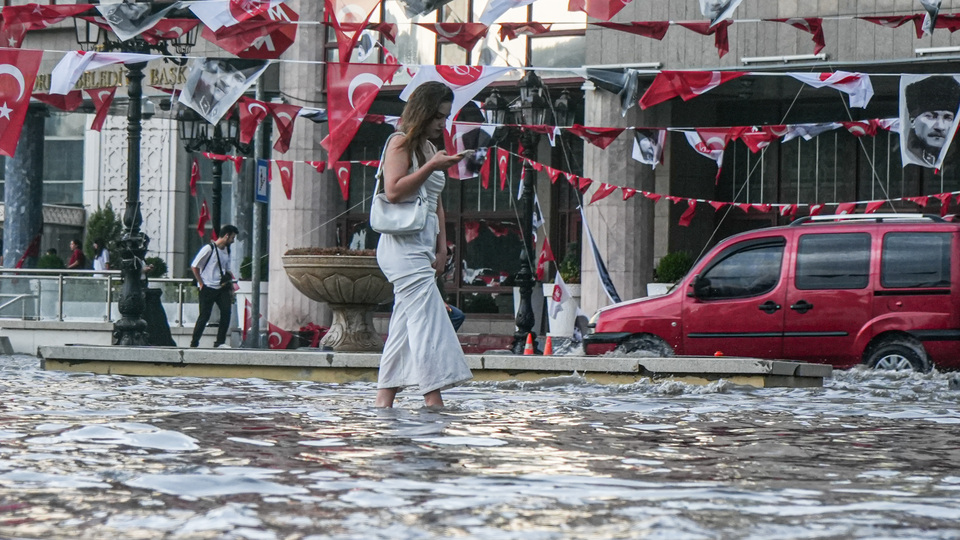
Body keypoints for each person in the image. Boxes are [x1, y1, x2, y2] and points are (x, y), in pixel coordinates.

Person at [375, 81, 474, 408]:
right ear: (422, 112)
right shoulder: (399, 143)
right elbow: (393, 191)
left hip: (422, 244)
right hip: (400, 247)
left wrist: (443, 245)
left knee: (404, 326)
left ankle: (383, 401)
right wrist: (432, 166)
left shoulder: (431, 149)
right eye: (437, 117)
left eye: (445, 118)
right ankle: (434, 400)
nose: (441, 124)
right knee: (427, 320)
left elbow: (436, 201)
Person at [189, 225, 239, 348]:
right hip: (208, 287)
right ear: (226, 236)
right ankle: (194, 342)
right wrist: (201, 283)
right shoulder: (209, 248)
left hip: (222, 287)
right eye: (232, 237)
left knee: (226, 313)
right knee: (204, 316)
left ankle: (219, 342)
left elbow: (227, 270)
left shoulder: (227, 250)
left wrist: (232, 287)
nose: (233, 241)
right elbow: (194, 266)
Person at [904, 76, 960, 167]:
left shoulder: (954, 157)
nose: (940, 126)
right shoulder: (909, 156)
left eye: (947, 118)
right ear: (913, 121)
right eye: (930, 117)